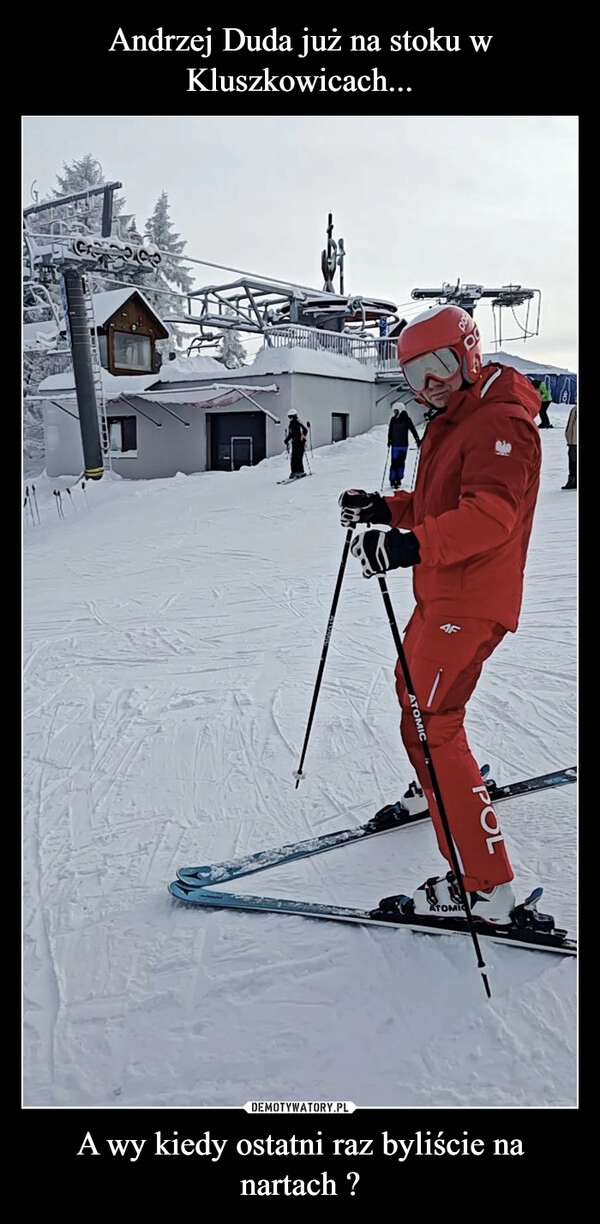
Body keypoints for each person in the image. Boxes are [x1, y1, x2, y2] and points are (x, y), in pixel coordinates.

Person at [338, 304, 542, 927]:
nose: (430, 385)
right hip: (442, 593)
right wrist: (387, 509)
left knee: (433, 720)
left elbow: (488, 516)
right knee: (416, 699)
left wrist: (409, 547)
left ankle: (485, 887)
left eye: (440, 367)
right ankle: (438, 789)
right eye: (416, 374)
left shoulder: (498, 423)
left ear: (469, 353)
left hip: (470, 601)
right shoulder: (456, 419)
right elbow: (437, 503)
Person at [387, 406, 421, 489]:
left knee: (401, 463)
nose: (394, 412)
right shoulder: (393, 420)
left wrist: (417, 439)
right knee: (394, 463)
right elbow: (390, 430)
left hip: (403, 445)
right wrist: (389, 440)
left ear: (400, 410)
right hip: (395, 445)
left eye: (396, 411)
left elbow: (413, 429)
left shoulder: (406, 419)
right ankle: (392, 480)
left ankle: (398, 479)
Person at [284, 410, 308, 478]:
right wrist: (286, 440)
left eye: (291, 417)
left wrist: (303, 436)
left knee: (298, 457)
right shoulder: (291, 425)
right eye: (289, 417)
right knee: (293, 458)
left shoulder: (299, 423)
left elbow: (305, 430)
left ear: (295, 416)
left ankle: (300, 471)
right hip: (294, 443)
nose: (290, 418)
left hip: (300, 443)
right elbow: (291, 434)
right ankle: (294, 472)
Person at [562, 399, 577, 489]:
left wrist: (570, 439)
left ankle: (573, 481)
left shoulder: (575, 410)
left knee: (573, 461)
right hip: (573, 440)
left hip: (574, 441)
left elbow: (572, 426)